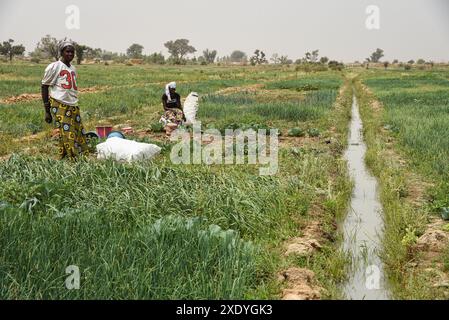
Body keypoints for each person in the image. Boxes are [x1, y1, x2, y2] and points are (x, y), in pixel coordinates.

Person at [41, 40, 89, 159]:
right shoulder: (54, 66)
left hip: (73, 103)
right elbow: (44, 86)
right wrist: (47, 110)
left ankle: (63, 155)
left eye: (72, 52)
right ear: (61, 52)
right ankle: (74, 159)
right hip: (59, 103)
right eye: (67, 51)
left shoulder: (73, 68)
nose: (70, 54)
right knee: (68, 132)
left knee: (77, 130)